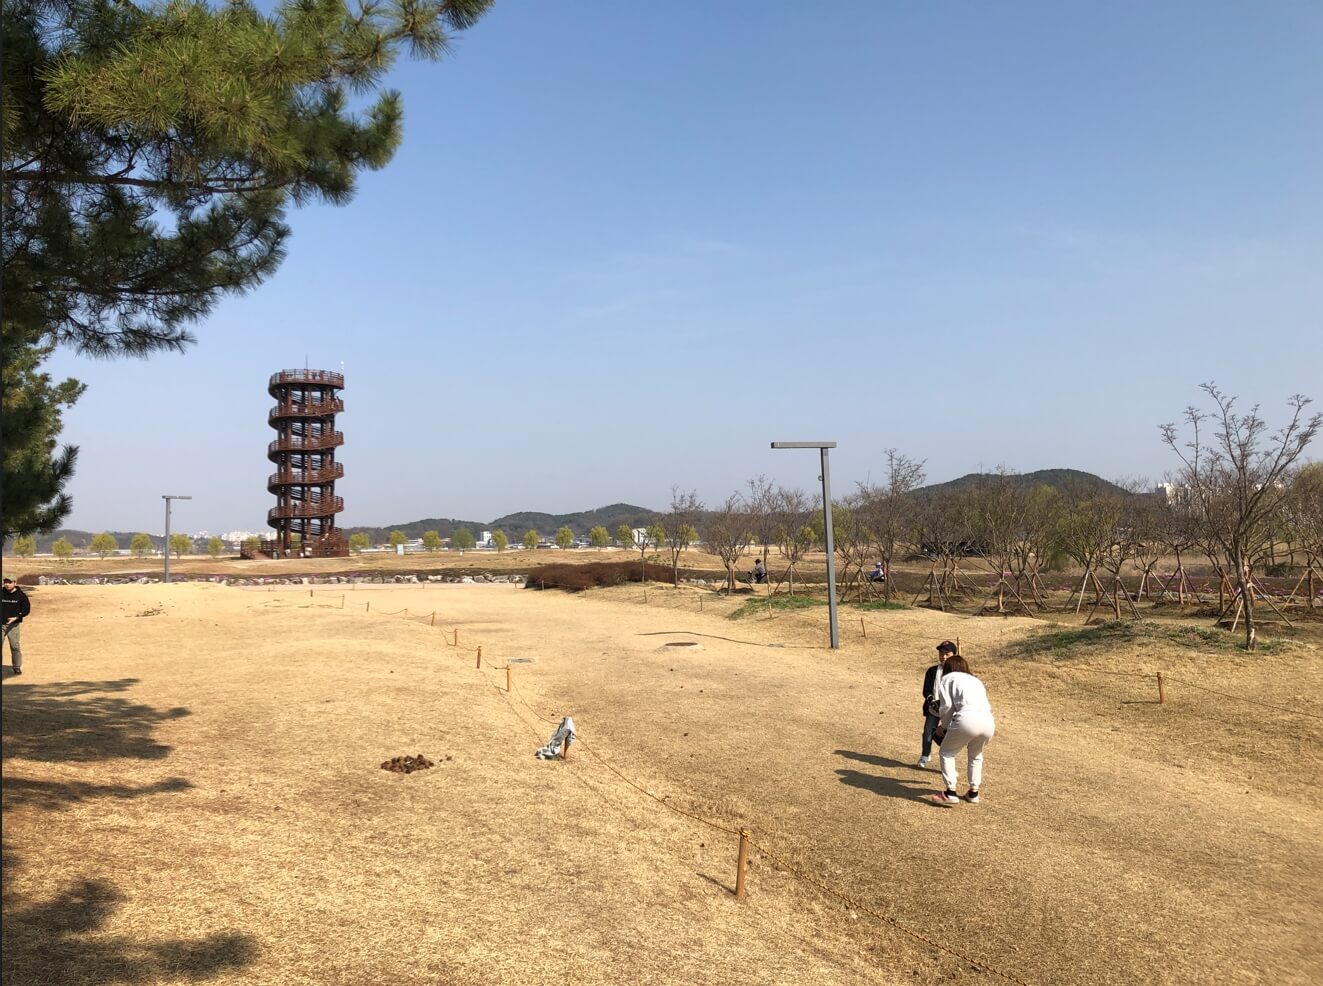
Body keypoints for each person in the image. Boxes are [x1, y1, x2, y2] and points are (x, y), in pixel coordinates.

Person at [929, 653, 996, 805]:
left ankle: (950, 792)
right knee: (976, 754)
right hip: (988, 720)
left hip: (967, 717)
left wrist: (944, 728)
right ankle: (973, 792)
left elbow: (946, 707)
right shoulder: (976, 680)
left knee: (946, 752)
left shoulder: (947, 678)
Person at [918, 640, 957, 767]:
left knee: (949, 736)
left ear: (954, 655)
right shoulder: (932, 671)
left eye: (947, 654)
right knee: (928, 731)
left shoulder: (958, 673)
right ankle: (925, 755)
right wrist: (931, 701)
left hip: (951, 710)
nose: (943, 657)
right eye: (941, 654)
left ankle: (948, 761)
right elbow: (927, 690)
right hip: (934, 708)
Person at [2, 577, 31, 676]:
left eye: (9, 582)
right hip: (1, 625)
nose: (7, 584)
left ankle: (16, 667)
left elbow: (26, 609)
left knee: (15, 646)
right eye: (5, 582)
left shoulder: (21, 595)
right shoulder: (1, 593)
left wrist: (16, 617)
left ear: (15, 583)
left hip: (13, 626)